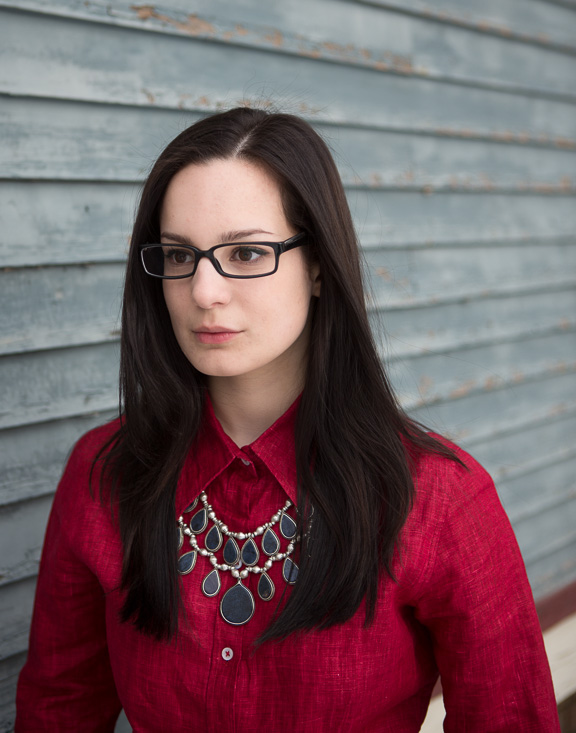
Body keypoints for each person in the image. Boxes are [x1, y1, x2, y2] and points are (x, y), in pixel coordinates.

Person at [16, 107, 560, 732]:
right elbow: (57, 711)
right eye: (178, 255)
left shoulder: (440, 499)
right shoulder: (102, 474)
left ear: (320, 266)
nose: (204, 291)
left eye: (246, 253)